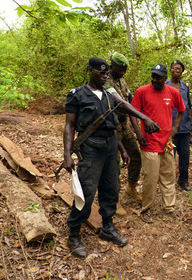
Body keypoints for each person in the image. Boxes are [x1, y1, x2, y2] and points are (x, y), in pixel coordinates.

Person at [63, 57, 129, 258]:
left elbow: (113, 126)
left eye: (107, 73)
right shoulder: (77, 95)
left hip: (110, 149)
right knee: (87, 193)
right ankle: (74, 234)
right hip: (91, 151)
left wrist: (122, 150)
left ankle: (107, 228)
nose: (105, 76)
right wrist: (67, 154)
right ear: (91, 71)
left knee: (111, 189)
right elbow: (69, 126)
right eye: (101, 73)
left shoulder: (109, 96)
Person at [131, 64, 185, 223]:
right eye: (153, 76)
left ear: (164, 78)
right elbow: (133, 113)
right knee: (151, 178)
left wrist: (175, 128)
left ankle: (169, 207)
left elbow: (181, 110)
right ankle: (146, 209)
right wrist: (138, 132)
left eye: (158, 77)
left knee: (169, 176)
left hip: (166, 142)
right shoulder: (142, 91)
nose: (154, 80)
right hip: (149, 142)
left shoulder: (173, 92)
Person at [104, 52, 148, 207]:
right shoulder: (106, 81)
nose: (123, 72)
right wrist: (144, 118)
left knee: (135, 155)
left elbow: (131, 100)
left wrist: (137, 130)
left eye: (125, 69)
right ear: (111, 66)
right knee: (113, 163)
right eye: (120, 69)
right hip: (110, 127)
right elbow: (122, 103)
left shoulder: (121, 80)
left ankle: (131, 188)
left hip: (124, 124)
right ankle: (113, 201)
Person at [165, 60, 192, 192]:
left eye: (179, 69)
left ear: (182, 72)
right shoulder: (164, 85)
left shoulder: (185, 87)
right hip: (169, 128)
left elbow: (189, 106)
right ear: (170, 70)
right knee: (170, 156)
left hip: (185, 127)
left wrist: (191, 124)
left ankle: (184, 180)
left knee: (185, 156)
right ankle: (168, 183)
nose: (177, 71)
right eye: (174, 68)